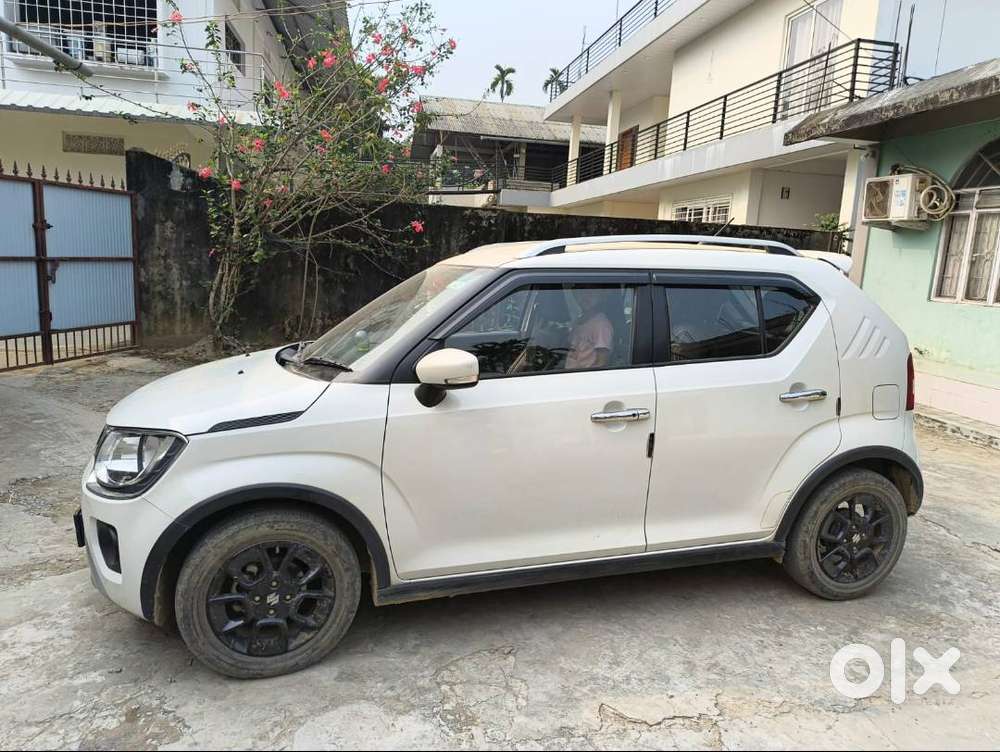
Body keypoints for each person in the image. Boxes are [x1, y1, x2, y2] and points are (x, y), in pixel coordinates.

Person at [564, 287, 614, 370]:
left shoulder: (601, 325)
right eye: (581, 293)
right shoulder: (579, 320)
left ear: (601, 297)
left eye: (590, 294)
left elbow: (601, 363)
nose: (585, 297)